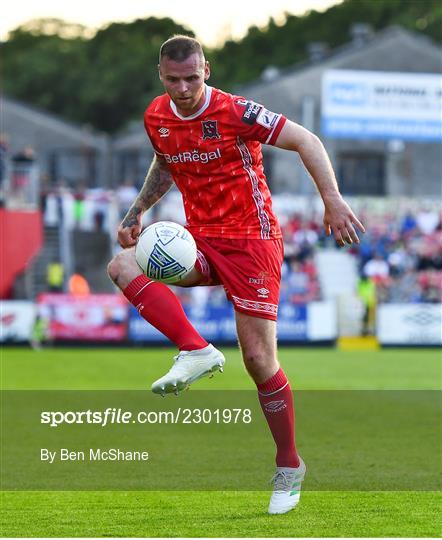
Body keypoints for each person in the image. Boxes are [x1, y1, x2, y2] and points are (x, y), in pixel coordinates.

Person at [107, 35, 365, 515]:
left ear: (206, 69)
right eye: (172, 79)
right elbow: (166, 161)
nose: (183, 88)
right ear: (160, 75)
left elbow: (306, 139)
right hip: (200, 237)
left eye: (191, 77)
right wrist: (137, 210)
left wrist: (332, 199)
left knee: (258, 360)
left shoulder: (236, 112)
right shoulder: (156, 116)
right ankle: (195, 348)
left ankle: (290, 464)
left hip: (252, 239)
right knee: (121, 264)